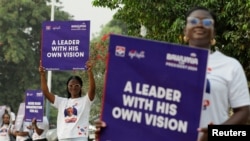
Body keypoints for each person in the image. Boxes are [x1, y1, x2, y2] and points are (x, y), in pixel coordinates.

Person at [94, 6, 250, 141]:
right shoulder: (165, 64)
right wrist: (112, 126)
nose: (200, 25)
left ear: (213, 32)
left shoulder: (230, 66)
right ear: (185, 31)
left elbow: (244, 115)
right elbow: (145, 108)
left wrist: (216, 134)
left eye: (207, 22)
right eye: (194, 21)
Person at [39, 60, 96, 141]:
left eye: (77, 85)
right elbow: (46, 92)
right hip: (63, 138)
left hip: (80, 137)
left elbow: (92, 89)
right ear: (67, 87)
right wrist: (42, 75)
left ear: (80, 87)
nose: (73, 87)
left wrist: (90, 72)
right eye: (71, 85)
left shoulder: (86, 100)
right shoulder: (61, 102)